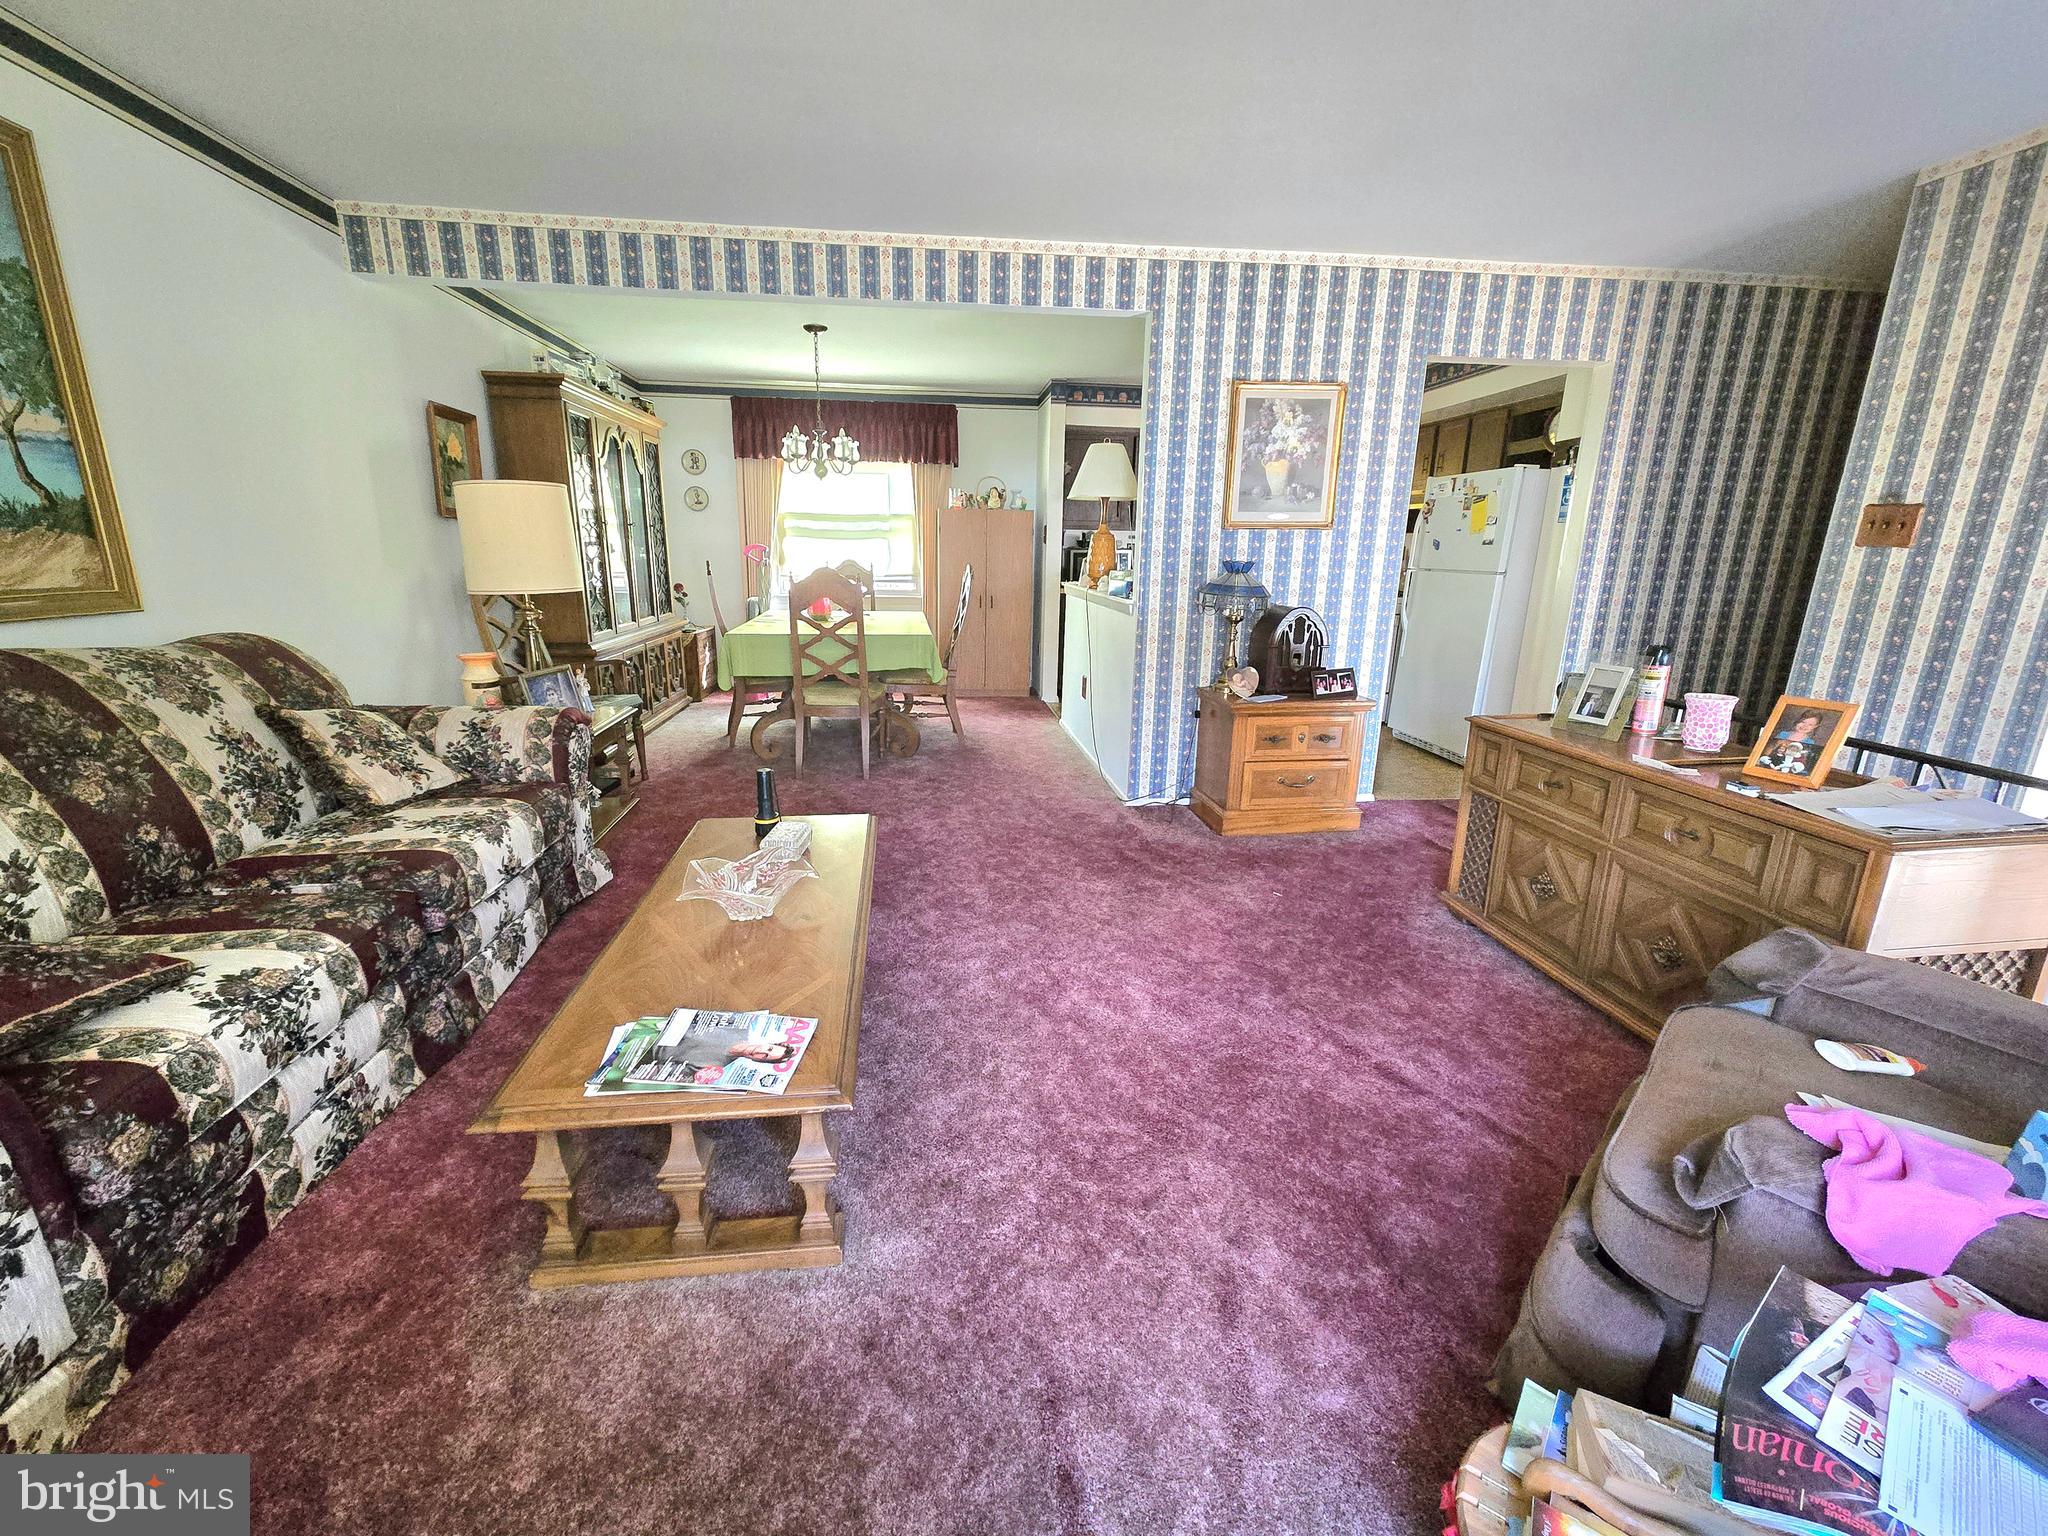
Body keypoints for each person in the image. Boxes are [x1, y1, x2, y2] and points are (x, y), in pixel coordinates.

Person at [1758, 710, 1830, 774]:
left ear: (1815, 726)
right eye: (1803, 722)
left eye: (1810, 725)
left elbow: (1802, 760)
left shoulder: (1810, 742)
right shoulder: (1783, 734)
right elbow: (1770, 750)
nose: (1805, 726)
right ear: (1798, 721)